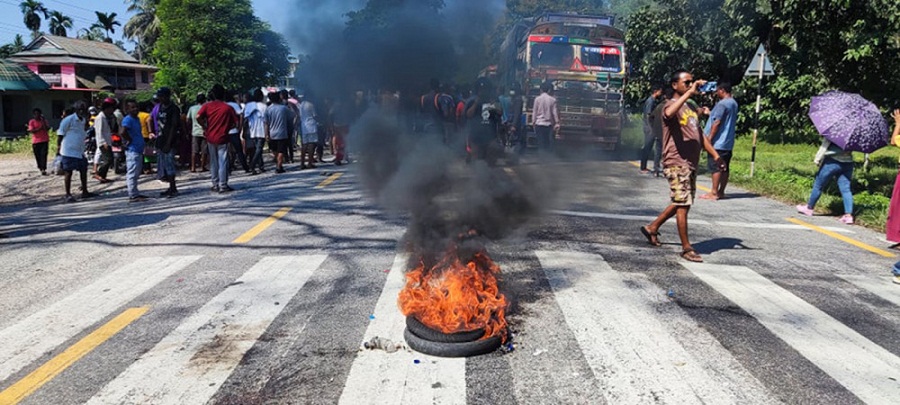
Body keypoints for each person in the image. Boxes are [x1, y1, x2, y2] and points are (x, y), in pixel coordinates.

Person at [641, 70, 725, 263]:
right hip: (676, 162)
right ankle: (687, 248)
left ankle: (652, 227)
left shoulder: (689, 108)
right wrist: (690, 93)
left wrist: (715, 155)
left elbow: (699, 135)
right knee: (683, 203)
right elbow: (668, 114)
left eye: (691, 82)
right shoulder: (669, 105)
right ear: (674, 85)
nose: (690, 85)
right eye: (686, 82)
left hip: (690, 162)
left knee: (682, 201)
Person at [796, 138, 855, 224]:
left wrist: (817, 159)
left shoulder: (835, 132)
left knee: (818, 185)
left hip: (832, 162)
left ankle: (809, 208)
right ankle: (848, 216)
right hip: (848, 163)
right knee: (846, 189)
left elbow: (824, 145)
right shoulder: (854, 134)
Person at [700, 82, 739, 200]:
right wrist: (710, 113)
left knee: (715, 166)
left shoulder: (722, 104)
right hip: (728, 142)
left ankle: (714, 192)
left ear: (722, 90)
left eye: (717, 90)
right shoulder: (733, 103)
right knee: (725, 167)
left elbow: (717, 123)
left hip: (718, 142)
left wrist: (709, 139)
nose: (716, 93)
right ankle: (721, 191)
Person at [198, 84, 239, 192]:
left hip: (210, 136)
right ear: (223, 94)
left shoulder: (207, 106)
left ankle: (215, 183)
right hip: (223, 137)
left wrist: (204, 126)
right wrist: (227, 127)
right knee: (223, 161)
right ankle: (223, 185)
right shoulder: (228, 108)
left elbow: (198, 117)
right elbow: (235, 123)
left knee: (213, 161)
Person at [57, 101, 95, 203]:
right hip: (68, 150)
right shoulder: (68, 120)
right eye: (80, 109)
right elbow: (60, 134)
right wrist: (58, 148)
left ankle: (85, 191)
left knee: (83, 170)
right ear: (76, 109)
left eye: (84, 108)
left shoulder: (83, 120)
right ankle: (68, 194)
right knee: (68, 172)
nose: (82, 110)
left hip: (79, 150)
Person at [154, 87, 183, 197]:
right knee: (165, 165)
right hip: (161, 139)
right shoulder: (161, 107)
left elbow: (174, 127)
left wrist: (168, 143)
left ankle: (173, 188)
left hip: (169, 140)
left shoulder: (173, 108)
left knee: (170, 164)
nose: (160, 98)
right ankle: (171, 187)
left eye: (162, 96)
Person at [120, 99, 148, 201]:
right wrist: (129, 139)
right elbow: (122, 132)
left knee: (136, 173)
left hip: (138, 149)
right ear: (127, 109)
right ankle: (132, 194)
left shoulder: (136, 119)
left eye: (136, 107)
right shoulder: (128, 119)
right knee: (132, 172)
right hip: (132, 150)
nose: (135, 109)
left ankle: (135, 192)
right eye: (132, 107)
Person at [264, 91, 292, 173]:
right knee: (281, 150)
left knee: (275, 150)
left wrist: (266, 134)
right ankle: (279, 166)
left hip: (272, 133)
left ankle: (279, 164)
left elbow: (266, 123)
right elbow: (291, 117)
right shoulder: (284, 108)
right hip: (282, 133)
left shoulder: (268, 110)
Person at [639, 84, 664, 174]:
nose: (661, 93)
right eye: (660, 91)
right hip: (649, 128)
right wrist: (650, 128)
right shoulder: (651, 101)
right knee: (647, 147)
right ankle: (643, 167)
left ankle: (650, 166)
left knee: (651, 147)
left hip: (651, 127)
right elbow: (648, 115)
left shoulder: (652, 100)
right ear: (656, 91)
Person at [93, 98, 116, 183]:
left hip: (107, 141)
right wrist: (103, 143)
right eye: (111, 109)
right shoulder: (100, 118)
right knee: (108, 159)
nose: (112, 111)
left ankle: (103, 176)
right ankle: (99, 173)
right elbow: (99, 132)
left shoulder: (106, 117)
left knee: (109, 159)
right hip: (103, 142)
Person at [532, 81, 560, 153]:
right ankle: (547, 158)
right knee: (548, 143)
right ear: (549, 90)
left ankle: (541, 157)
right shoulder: (553, 100)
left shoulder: (537, 99)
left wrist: (533, 122)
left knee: (540, 143)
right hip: (549, 125)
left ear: (541, 90)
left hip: (539, 124)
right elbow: (555, 113)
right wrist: (557, 123)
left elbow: (534, 112)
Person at [226, 91, 250, 174]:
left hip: (225, 131)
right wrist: (240, 126)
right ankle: (245, 167)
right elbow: (241, 115)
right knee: (239, 150)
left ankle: (228, 168)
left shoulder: (224, 105)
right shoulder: (234, 105)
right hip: (234, 130)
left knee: (226, 151)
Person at [245, 89, 268, 174]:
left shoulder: (249, 105)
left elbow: (246, 117)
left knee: (257, 149)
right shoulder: (264, 106)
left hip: (252, 129)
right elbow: (266, 120)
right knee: (259, 149)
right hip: (261, 129)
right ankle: (253, 165)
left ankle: (261, 166)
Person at [186, 93, 208, 173]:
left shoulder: (192, 108)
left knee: (194, 151)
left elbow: (188, 120)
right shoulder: (206, 107)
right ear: (204, 100)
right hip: (205, 131)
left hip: (195, 132)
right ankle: (203, 167)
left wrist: (189, 129)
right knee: (204, 150)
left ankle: (193, 167)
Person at [27, 108, 50, 175]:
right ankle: (40, 167)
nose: (37, 115)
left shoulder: (44, 121)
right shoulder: (32, 122)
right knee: (37, 155)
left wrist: (43, 122)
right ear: (34, 115)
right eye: (36, 114)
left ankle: (43, 168)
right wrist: (39, 128)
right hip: (36, 141)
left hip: (44, 140)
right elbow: (32, 131)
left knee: (44, 155)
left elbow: (47, 129)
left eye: (38, 114)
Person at [299, 95, 319, 169]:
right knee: (311, 144)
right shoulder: (311, 105)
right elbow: (314, 115)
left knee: (304, 145)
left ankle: (302, 163)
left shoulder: (301, 105)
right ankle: (310, 162)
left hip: (304, 126)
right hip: (311, 125)